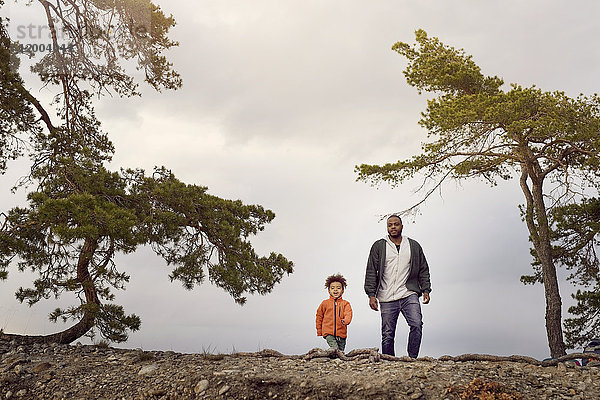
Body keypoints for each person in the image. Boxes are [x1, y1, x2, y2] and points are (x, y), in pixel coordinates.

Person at [364, 215, 431, 358]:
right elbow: (371, 271)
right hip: (386, 296)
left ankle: (412, 358)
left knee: (416, 324)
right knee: (388, 334)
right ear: (387, 228)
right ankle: (389, 361)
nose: (393, 227)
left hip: (408, 293)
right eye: (390, 225)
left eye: (396, 224)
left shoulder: (413, 245)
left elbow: (423, 269)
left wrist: (426, 289)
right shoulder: (379, 246)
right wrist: (371, 295)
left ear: (402, 226)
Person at [315, 274, 353, 351]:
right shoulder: (325, 303)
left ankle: (335, 360)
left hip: (342, 334)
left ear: (342, 290)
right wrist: (319, 331)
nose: (335, 290)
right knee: (335, 349)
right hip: (328, 333)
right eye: (332, 288)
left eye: (338, 288)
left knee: (341, 352)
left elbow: (348, 314)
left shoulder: (346, 304)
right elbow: (319, 316)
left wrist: (346, 321)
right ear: (329, 290)